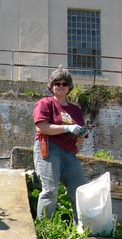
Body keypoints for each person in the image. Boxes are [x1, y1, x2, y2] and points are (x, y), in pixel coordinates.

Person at [33, 65, 88, 220]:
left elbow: (79, 140)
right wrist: (67, 128)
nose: (61, 86)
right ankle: (44, 228)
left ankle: (81, 229)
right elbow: (41, 127)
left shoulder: (75, 110)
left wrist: (81, 133)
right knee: (50, 190)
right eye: (57, 84)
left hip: (69, 153)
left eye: (64, 84)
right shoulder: (46, 103)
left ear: (69, 87)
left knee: (79, 191)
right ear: (51, 86)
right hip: (50, 148)